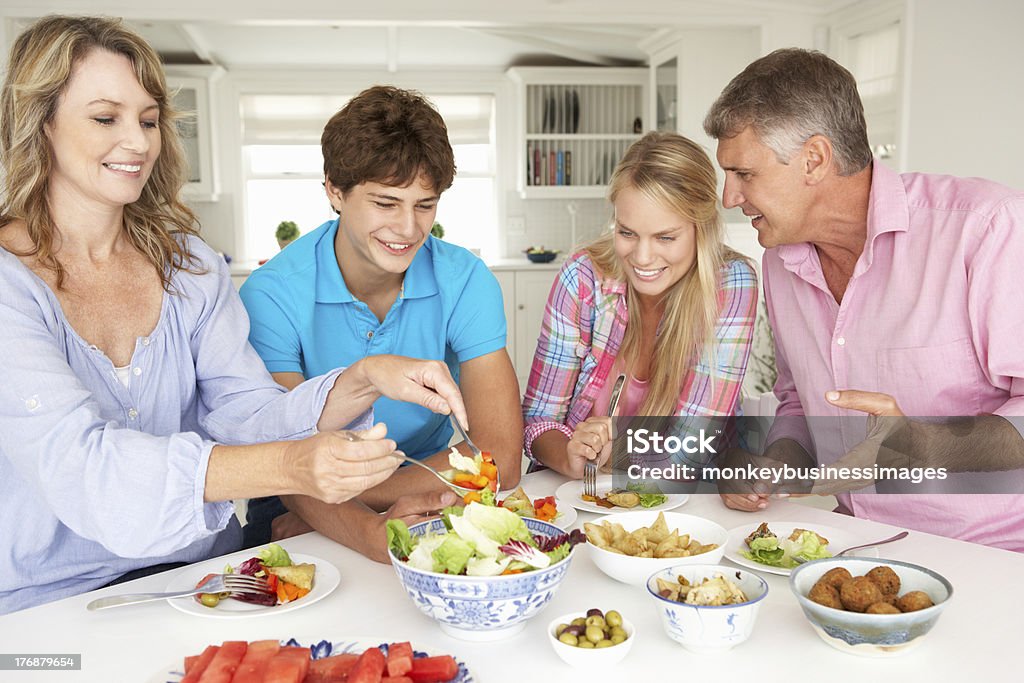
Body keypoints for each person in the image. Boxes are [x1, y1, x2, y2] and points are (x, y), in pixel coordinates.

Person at [0, 16, 466, 614]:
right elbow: (87, 469)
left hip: (212, 579)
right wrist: (293, 466)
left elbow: (244, 411)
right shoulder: (11, 284)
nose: (140, 143)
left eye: (148, 120)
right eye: (105, 117)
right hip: (48, 605)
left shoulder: (189, 266)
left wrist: (363, 377)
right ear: (40, 124)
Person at [705, 48, 1024, 550]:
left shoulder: (986, 229)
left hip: (989, 555)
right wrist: (776, 464)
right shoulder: (780, 262)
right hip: (851, 541)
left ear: (814, 160)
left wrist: (920, 443)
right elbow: (797, 398)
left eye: (744, 173)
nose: (729, 197)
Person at [239, 86, 523, 559]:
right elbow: (282, 456)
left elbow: (502, 459)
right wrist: (353, 523)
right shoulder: (271, 294)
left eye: (424, 205)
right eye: (386, 203)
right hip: (298, 496)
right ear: (334, 190)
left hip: (416, 488)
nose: (409, 229)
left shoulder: (465, 280)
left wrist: (347, 499)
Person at [522, 132, 758, 478]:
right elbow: (539, 419)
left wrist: (610, 454)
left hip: (686, 507)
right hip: (577, 496)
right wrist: (568, 454)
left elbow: (690, 451)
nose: (643, 258)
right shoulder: (583, 278)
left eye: (666, 237)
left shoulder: (731, 285)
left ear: (701, 228)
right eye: (627, 232)